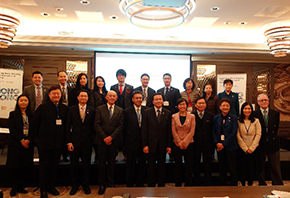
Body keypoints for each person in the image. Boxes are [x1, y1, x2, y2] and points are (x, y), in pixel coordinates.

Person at [34, 85, 68, 198]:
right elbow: (35, 125)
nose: (56, 95)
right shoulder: (42, 108)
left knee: (54, 166)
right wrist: (37, 140)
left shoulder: (64, 108)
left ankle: (51, 186)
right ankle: (43, 188)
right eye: (54, 94)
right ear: (49, 95)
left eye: (58, 93)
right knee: (44, 166)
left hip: (58, 144)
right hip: (44, 143)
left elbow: (66, 127)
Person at [94, 91, 124, 195]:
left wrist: (111, 137)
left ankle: (110, 183)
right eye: (110, 96)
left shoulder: (120, 110)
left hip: (113, 141)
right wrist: (104, 137)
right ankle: (102, 184)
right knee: (102, 163)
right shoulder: (99, 109)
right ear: (106, 97)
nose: (112, 97)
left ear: (116, 98)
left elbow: (120, 126)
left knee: (111, 163)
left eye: (114, 96)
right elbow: (96, 125)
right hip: (102, 140)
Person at [66, 90, 95, 195]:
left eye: (85, 96)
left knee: (86, 165)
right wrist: (69, 142)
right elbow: (67, 127)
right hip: (74, 142)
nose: (83, 98)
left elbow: (93, 127)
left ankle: (86, 185)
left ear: (88, 98)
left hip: (87, 142)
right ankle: (75, 185)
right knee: (74, 165)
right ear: (78, 97)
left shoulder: (92, 110)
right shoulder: (71, 110)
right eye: (81, 96)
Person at [142, 93, 172, 187]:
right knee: (151, 165)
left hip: (163, 144)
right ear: (153, 101)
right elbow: (144, 129)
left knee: (162, 165)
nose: (158, 101)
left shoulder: (168, 113)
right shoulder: (147, 112)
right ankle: (151, 184)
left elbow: (169, 131)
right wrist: (145, 145)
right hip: (151, 144)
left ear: (162, 101)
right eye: (156, 99)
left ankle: (161, 184)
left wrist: (169, 145)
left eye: (160, 99)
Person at [6, 94, 34, 197]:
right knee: (15, 166)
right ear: (18, 102)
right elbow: (12, 129)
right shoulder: (13, 114)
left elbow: (34, 129)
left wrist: (28, 140)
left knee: (24, 166)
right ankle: (14, 187)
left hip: (28, 144)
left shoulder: (31, 115)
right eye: (21, 100)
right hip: (16, 144)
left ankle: (21, 186)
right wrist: (21, 140)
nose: (23, 102)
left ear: (28, 102)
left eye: (25, 100)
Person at [254, 93, 283, 185]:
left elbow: (276, 128)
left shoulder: (275, 113)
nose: (264, 102)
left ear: (268, 101)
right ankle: (262, 184)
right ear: (258, 102)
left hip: (273, 143)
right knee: (260, 167)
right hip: (260, 144)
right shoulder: (255, 114)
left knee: (275, 167)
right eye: (261, 100)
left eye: (265, 100)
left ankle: (277, 184)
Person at [212, 98, 238, 186]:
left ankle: (234, 186)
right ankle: (223, 185)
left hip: (231, 146)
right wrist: (217, 143)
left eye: (227, 106)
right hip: (219, 147)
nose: (225, 107)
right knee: (221, 167)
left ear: (230, 107)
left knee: (232, 168)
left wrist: (224, 144)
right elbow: (213, 131)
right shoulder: (216, 118)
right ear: (220, 107)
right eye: (223, 105)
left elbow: (233, 133)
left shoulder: (234, 118)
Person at [124, 91, 147, 187]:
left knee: (142, 164)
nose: (139, 100)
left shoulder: (146, 110)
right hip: (131, 142)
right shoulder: (126, 111)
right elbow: (124, 129)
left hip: (143, 142)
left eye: (140, 98)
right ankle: (129, 183)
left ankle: (140, 183)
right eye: (136, 98)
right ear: (132, 99)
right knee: (130, 164)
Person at [171, 98, 195, 186]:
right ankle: (178, 184)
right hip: (177, 144)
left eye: (184, 104)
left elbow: (192, 131)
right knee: (178, 165)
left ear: (186, 105)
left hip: (189, 144)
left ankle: (188, 184)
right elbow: (173, 131)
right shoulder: (173, 116)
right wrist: (179, 142)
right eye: (180, 104)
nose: (182, 106)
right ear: (177, 106)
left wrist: (184, 142)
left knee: (189, 165)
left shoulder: (192, 116)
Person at [237, 102, 261, 186]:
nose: (247, 110)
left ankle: (250, 186)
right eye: (245, 108)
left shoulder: (256, 121)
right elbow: (238, 135)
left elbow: (258, 134)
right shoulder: (238, 121)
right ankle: (243, 185)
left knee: (251, 168)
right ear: (242, 110)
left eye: (249, 109)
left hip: (253, 149)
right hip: (242, 149)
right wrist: (245, 148)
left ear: (252, 110)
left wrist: (251, 148)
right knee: (242, 168)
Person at [192, 97, 214, 186]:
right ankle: (196, 181)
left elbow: (212, 130)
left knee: (207, 164)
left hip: (207, 144)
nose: (201, 105)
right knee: (196, 163)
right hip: (195, 143)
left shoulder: (211, 116)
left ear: (206, 104)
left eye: (203, 103)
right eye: (199, 103)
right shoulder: (192, 115)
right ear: (196, 105)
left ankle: (207, 182)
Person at [90, 76, 108, 163]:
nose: (100, 83)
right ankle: (97, 156)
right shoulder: (92, 93)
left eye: (102, 81)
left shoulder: (106, 92)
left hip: (106, 117)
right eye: (98, 81)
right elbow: (92, 105)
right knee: (98, 136)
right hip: (97, 116)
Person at [57, 70, 71, 162]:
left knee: (68, 133)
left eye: (64, 76)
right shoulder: (55, 89)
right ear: (58, 78)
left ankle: (66, 155)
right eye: (61, 76)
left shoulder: (72, 89)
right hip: (58, 113)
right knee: (59, 133)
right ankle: (58, 154)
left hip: (69, 113)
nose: (63, 78)